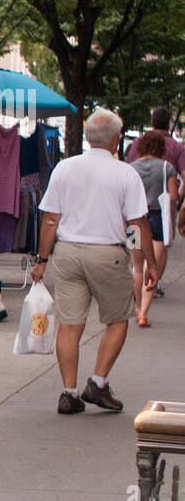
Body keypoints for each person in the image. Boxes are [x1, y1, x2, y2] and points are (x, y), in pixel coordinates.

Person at [32, 108, 157, 414]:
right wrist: (149, 263)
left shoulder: (64, 168)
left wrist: (42, 259)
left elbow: (51, 219)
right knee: (117, 319)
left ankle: (68, 392)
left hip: (68, 252)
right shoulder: (125, 173)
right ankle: (98, 383)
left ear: (88, 137)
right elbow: (137, 224)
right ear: (116, 140)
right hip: (107, 254)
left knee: (70, 324)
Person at [129, 128, 178, 327]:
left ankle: (137, 307)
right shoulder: (167, 167)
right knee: (153, 267)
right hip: (157, 218)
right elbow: (173, 196)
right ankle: (144, 313)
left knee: (137, 268)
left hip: (133, 220)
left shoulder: (131, 167)